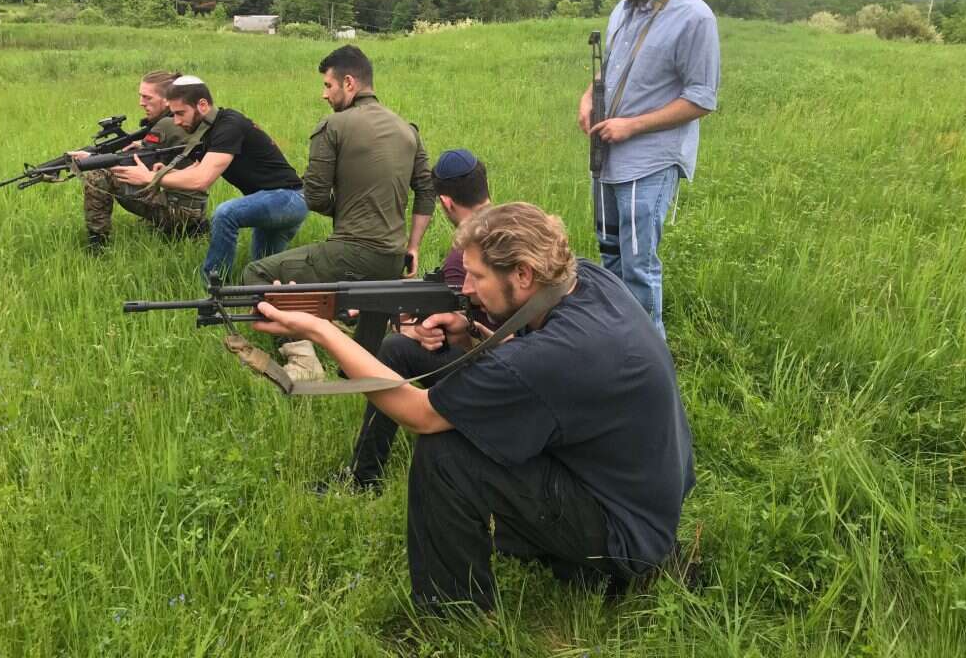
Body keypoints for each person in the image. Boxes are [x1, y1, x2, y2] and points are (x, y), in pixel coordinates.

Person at [252, 202, 696, 612]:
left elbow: (420, 414)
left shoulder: (557, 354)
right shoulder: (585, 280)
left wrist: (320, 330)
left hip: (626, 534)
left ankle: (454, 613)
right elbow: (535, 364)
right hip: (636, 491)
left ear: (523, 274)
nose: (465, 288)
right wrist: (468, 337)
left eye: (476, 277)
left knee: (446, 453)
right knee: (406, 356)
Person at [241, 45, 436, 379]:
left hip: (351, 252)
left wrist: (344, 207)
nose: (324, 94)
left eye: (328, 85)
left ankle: (304, 360)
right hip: (392, 256)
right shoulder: (408, 130)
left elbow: (314, 196)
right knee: (374, 307)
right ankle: (364, 366)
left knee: (256, 273)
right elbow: (427, 191)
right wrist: (412, 246)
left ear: (349, 83)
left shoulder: (333, 126)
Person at [578, 0, 720, 338]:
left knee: (638, 262)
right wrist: (587, 98)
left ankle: (647, 357)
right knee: (609, 251)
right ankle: (617, 340)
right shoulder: (621, 11)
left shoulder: (695, 18)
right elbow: (609, 69)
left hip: (650, 160)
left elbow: (701, 99)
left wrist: (632, 126)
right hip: (606, 154)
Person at [341, 148, 492, 492]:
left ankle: (363, 477)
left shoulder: (464, 254)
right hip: (514, 356)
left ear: (445, 203)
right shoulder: (510, 225)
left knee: (394, 350)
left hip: (495, 367)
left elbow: (449, 325)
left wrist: (411, 329)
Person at [111, 75, 307, 282]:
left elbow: (201, 181)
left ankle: (214, 288)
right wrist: (167, 173)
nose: (176, 121)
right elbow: (197, 170)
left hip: (289, 199)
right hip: (272, 201)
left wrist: (150, 178)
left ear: (202, 105)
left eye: (180, 113)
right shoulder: (208, 129)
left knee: (225, 214)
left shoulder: (228, 126)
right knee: (264, 276)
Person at [78, 70, 208, 252]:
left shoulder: (166, 125)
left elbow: (134, 163)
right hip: (196, 207)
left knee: (98, 175)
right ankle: (188, 229)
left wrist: (91, 159)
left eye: (148, 98)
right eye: (141, 97)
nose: (141, 103)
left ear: (167, 100)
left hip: (180, 212)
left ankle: (97, 245)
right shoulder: (184, 120)